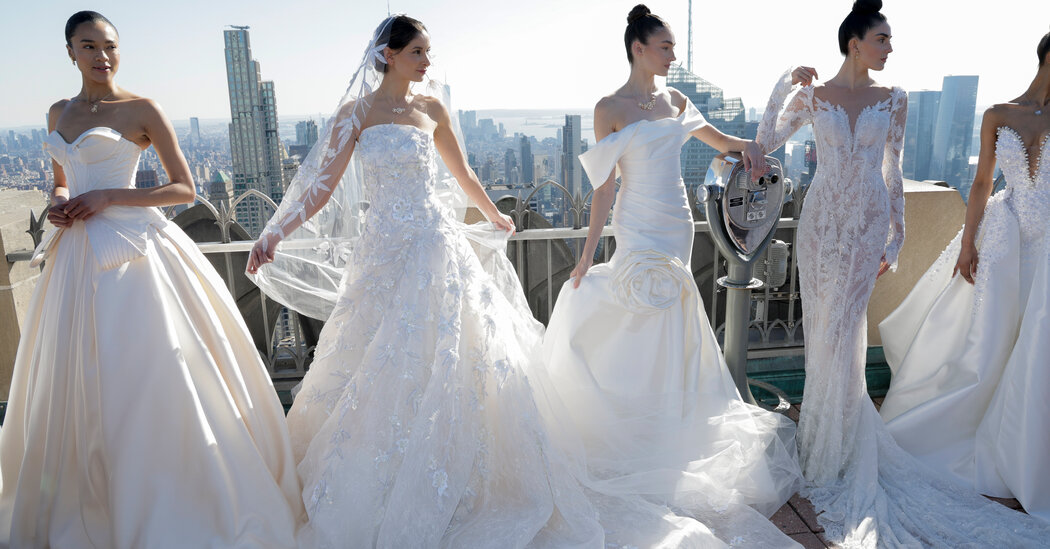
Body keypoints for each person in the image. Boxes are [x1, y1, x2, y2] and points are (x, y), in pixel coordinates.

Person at [246, 14, 736, 548]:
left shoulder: (432, 107)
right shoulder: (355, 114)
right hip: (382, 253)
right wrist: (275, 231)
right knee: (373, 361)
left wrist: (492, 213)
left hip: (435, 241)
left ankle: (460, 471)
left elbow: (463, 175)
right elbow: (321, 185)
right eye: (418, 54)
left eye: (428, 54)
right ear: (389, 54)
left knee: (457, 359)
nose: (428, 64)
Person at [0, 11, 303, 548]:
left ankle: (164, 494)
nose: (102, 56)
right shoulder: (57, 112)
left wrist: (108, 196)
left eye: (110, 46)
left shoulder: (141, 109)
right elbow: (62, 182)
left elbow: (184, 190)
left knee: (146, 369)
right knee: (77, 375)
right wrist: (60, 204)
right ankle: (90, 494)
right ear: (70, 51)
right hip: (74, 260)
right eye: (89, 46)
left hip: (136, 255)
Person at [757, 1, 1050, 545]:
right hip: (820, 224)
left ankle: (837, 450)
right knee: (821, 333)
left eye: (890, 40)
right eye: (883, 39)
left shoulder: (894, 99)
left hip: (866, 223)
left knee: (846, 333)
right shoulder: (815, 97)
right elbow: (766, 142)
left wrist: (897, 234)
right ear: (855, 43)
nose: (891, 48)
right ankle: (821, 444)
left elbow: (893, 168)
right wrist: (783, 82)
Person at [538, 5, 801, 546]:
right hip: (636, 226)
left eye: (673, 47)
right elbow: (604, 187)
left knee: (670, 323)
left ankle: (665, 427)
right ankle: (629, 424)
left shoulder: (677, 101)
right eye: (665, 46)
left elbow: (719, 141)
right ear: (638, 47)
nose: (673, 55)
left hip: (677, 225)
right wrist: (588, 254)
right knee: (631, 314)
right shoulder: (609, 107)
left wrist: (755, 146)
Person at [879, 29, 1050, 524]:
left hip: (1048, 242)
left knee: (1037, 339)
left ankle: (1025, 453)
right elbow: (980, 182)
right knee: (991, 339)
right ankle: (963, 431)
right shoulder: (1000, 114)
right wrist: (968, 242)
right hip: (1005, 234)